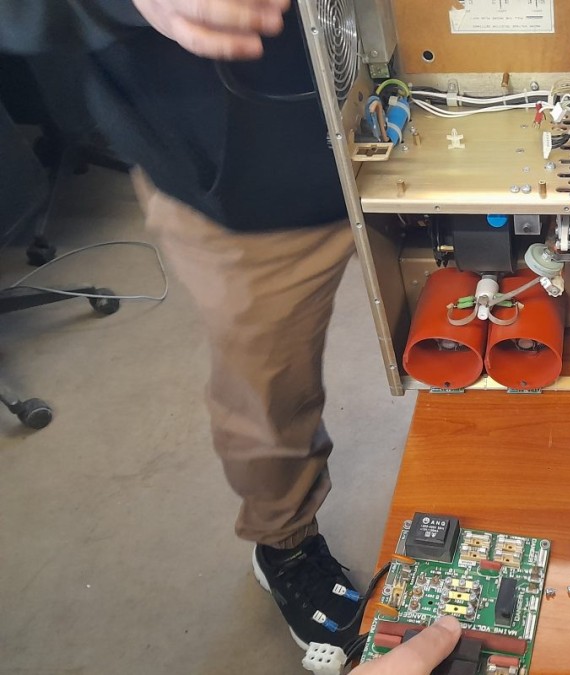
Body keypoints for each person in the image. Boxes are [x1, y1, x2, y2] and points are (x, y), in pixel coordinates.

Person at [1, 0, 456, 668]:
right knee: (268, 393)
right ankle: (286, 546)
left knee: (504, 311)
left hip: (471, 113)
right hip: (246, 175)